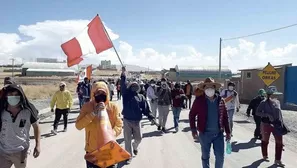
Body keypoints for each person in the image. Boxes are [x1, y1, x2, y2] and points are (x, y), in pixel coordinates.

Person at [75, 81, 123, 168]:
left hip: (109, 149)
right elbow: (78, 126)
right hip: (92, 151)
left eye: (103, 93)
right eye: (97, 93)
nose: (100, 95)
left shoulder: (113, 107)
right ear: (93, 94)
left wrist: (111, 134)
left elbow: (119, 125)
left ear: (107, 93)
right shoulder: (87, 107)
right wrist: (93, 113)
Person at [189, 77, 231, 168]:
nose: (209, 89)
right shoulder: (199, 101)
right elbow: (192, 115)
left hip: (218, 134)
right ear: (204, 89)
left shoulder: (221, 100)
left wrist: (228, 132)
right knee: (205, 156)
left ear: (214, 88)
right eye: (207, 87)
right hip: (204, 135)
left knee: (220, 157)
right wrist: (193, 130)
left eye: (211, 87)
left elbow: (225, 117)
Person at [120, 67, 156, 164]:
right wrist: (123, 74)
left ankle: (135, 146)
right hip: (127, 120)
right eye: (132, 86)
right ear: (130, 87)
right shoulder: (126, 95)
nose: (134, 87)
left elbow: (146, 109)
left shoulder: (141, 97)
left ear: (138, 88)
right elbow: (123, 86)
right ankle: (128, 156)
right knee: (127, 140)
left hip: (137, 121)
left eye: (136, 86)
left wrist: (151, 117)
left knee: (139, 138)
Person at [0, 84, 41, 168]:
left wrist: (38, 145)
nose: (13, 97)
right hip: (3, 151)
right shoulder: (1, 110)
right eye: (10, 95)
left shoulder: (28, 111)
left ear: (21, 96)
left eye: (16, 95)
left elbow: (36, 126)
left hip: (21, 151)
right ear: (6, 96)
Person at [256, 86, 288, 167]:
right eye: (273, 95)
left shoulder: (278, 102)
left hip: (277, 124)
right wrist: (266, 115)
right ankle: (265, 155)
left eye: (276, 95)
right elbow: (257, 112)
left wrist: (282, 123)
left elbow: (280, 114)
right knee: (265, 140)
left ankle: (278, 160)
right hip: (266, 124)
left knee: (279, 143)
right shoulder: (263, 103)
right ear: (269, 95)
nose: (275, 96)